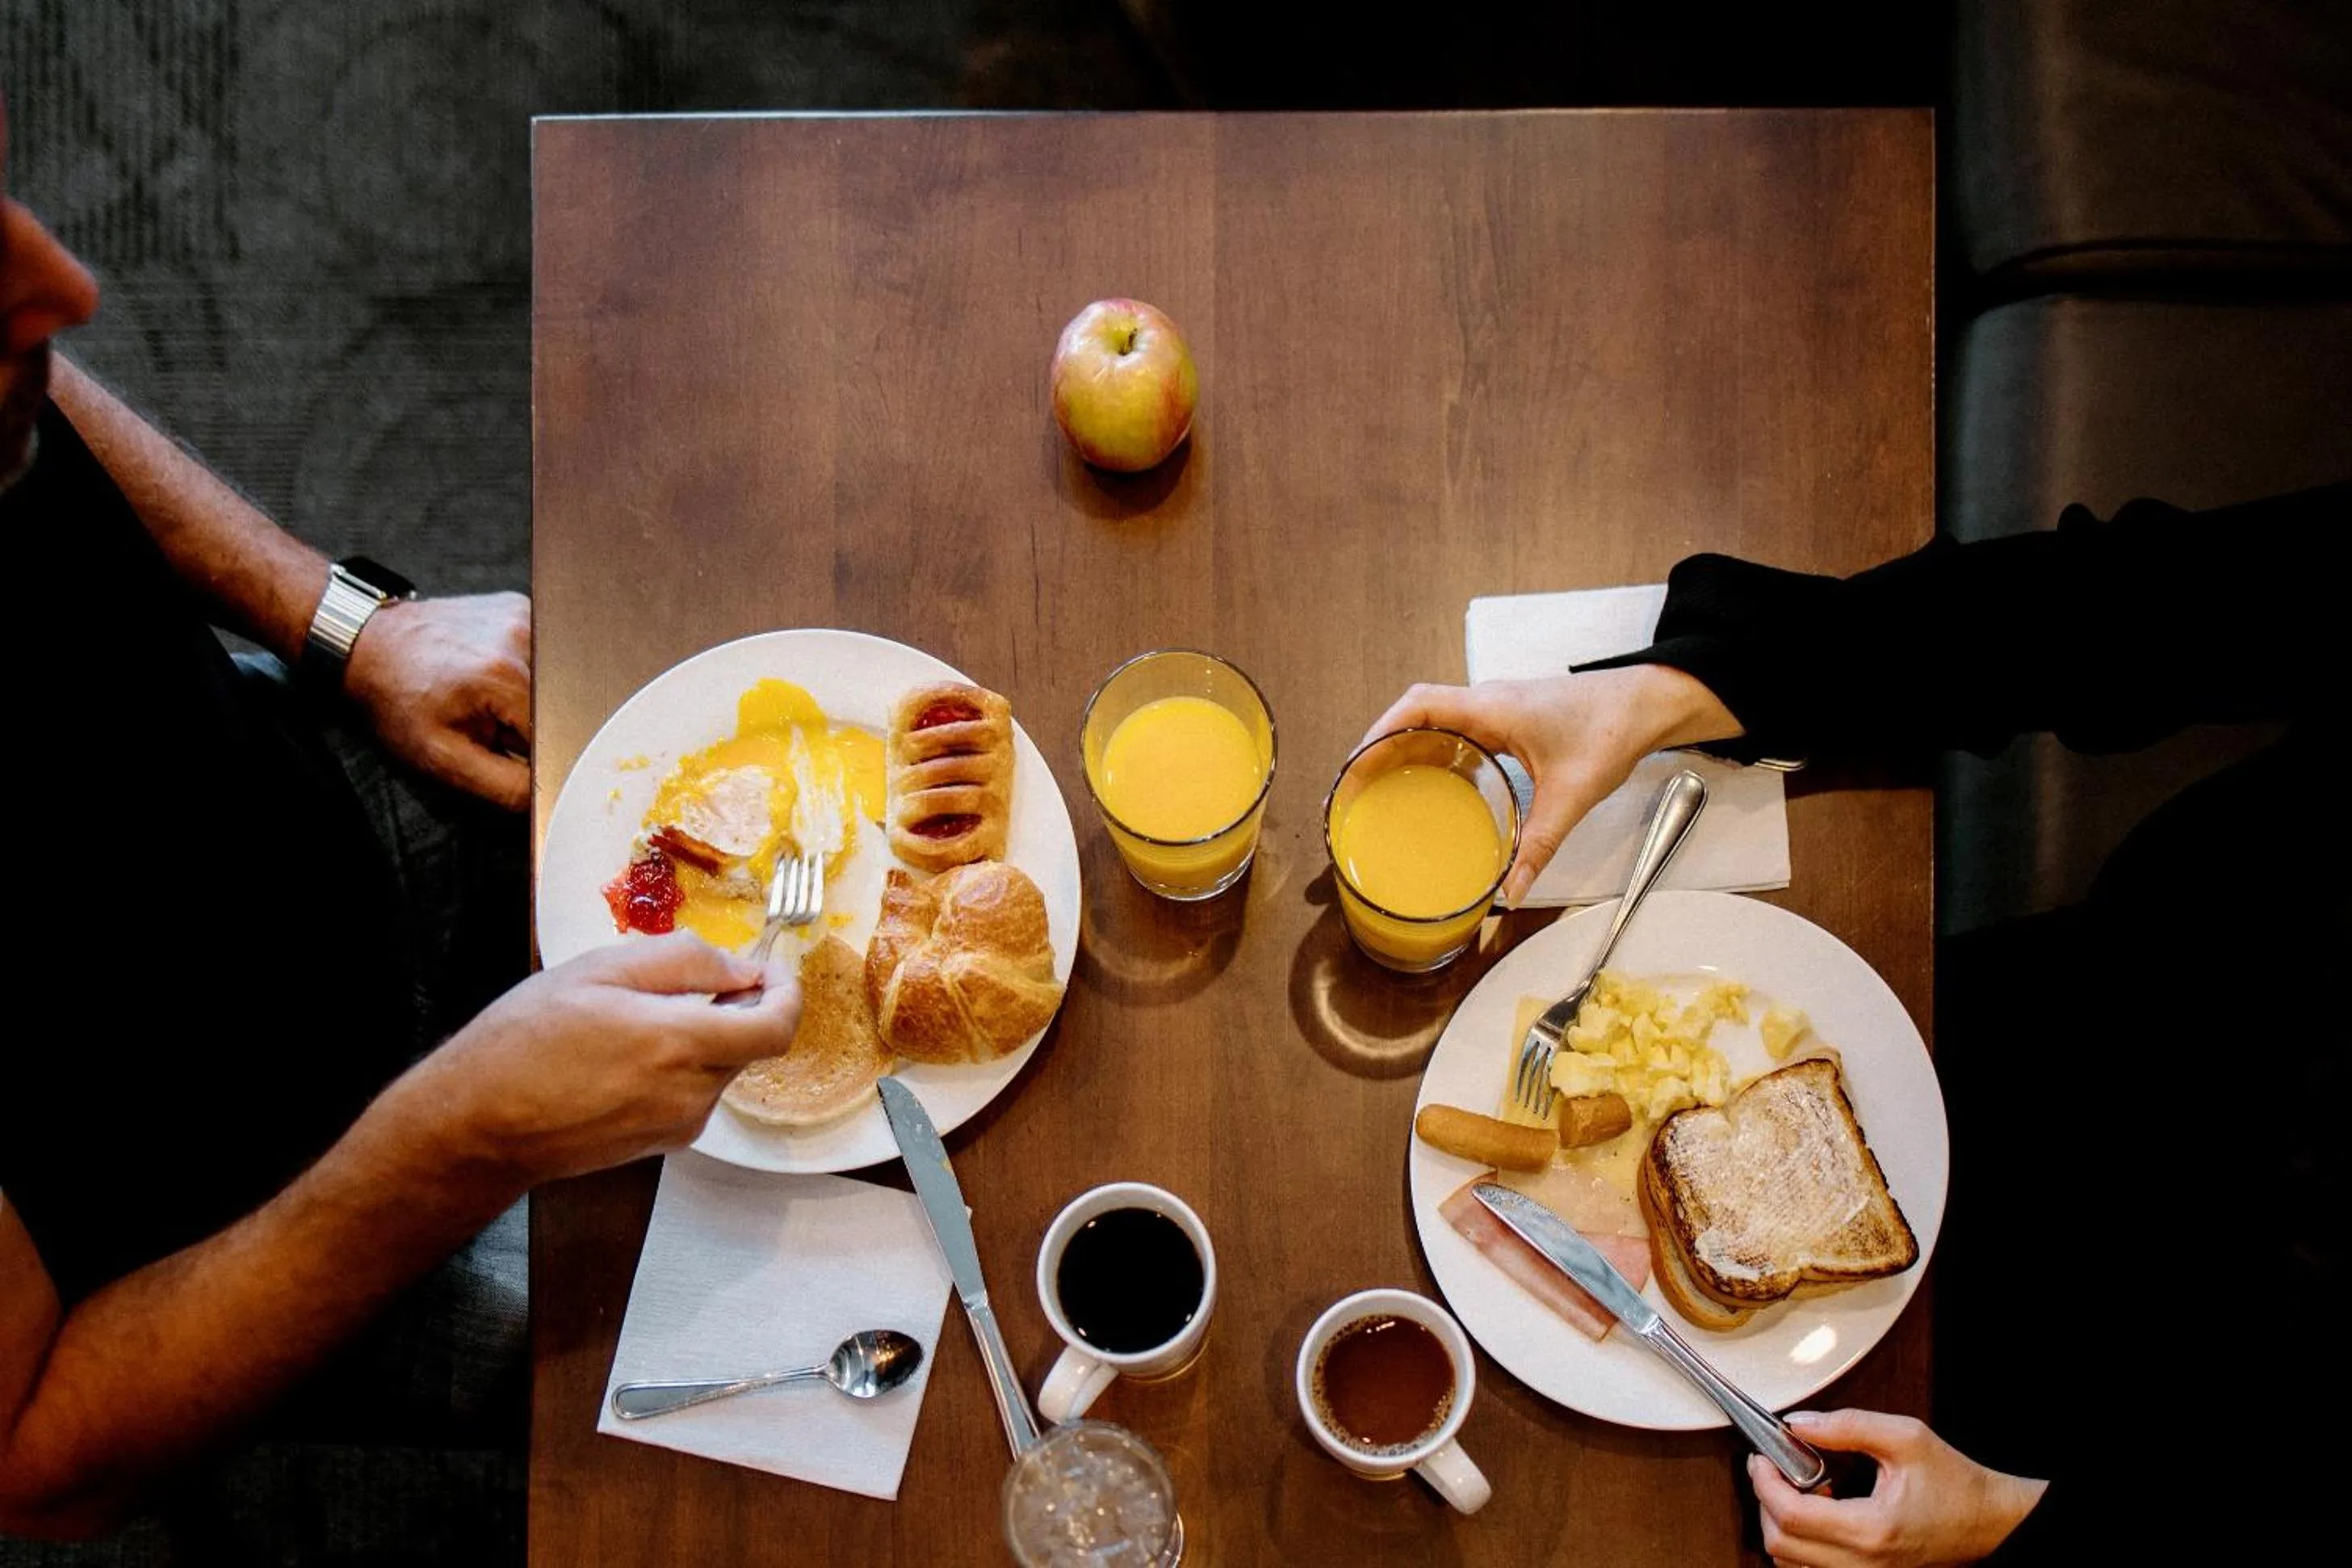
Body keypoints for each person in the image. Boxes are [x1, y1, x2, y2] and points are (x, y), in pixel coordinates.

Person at [0, 98, 804, 1538]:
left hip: (296, 798)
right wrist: (463, 1138)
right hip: (265, 1228)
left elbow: (25, 371)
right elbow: (35, 1454)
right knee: (827, 1370)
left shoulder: (10, 337)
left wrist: (342, 625)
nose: (66, 286)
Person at [1367, 483, 2345, 1564]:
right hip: (2087, 998)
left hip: (2158, 1383)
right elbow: (2138, 605)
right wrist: (1673, 693)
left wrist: (2025, 1523)